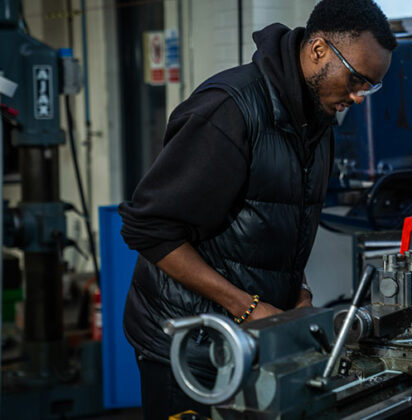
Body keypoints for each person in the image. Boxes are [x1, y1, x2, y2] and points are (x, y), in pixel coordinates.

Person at [118, 0, 396, 417]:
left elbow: (285, 219)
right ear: (319, 49)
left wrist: (297, 292)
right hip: (189, 344)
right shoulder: (229, 110)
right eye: (356, 79)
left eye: (370, 86)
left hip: (255, 338)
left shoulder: (317, 122)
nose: (359, 97)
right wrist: (244, 305)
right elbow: (149, 230)